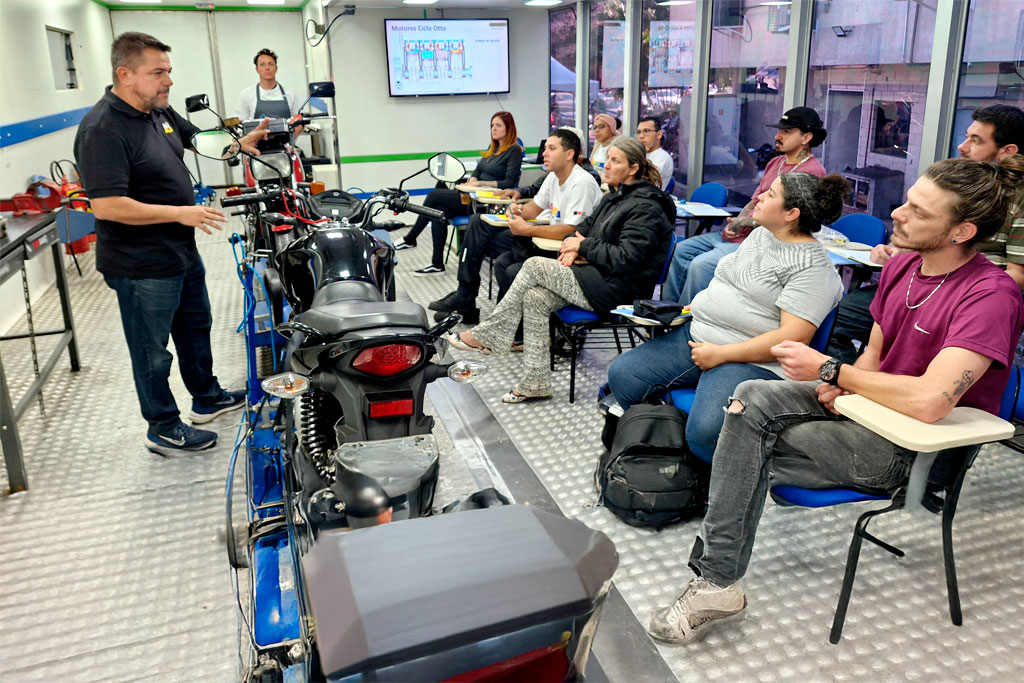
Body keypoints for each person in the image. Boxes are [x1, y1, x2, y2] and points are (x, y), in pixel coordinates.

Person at [647, 156, 1024, 644]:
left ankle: (716, 580)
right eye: (908, 200)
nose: (899, 214)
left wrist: (831, 371)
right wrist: (845, 385)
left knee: (747, 436)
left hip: (916, 451)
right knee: (747, 398)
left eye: (919, 212)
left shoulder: (990, 296)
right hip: (869, 412)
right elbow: (874, 354)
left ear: (961, 231)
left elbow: (932, 400)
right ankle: (718, 579)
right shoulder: (905, 266)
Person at [74, 32, 268, 456]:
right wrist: (181, 213)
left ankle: (206, 397)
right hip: (140, 263)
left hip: (179, 251)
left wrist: (237, 145)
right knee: (152, 351)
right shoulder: (102, 129)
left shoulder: (156, 112)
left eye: (169, 71)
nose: (168, 81)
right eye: (157, 72)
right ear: (125, 75)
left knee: (195, 329)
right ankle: (161, 426)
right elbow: (107, 206)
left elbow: (197, 140)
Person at [608, 174, 846, 461]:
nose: (759, 197)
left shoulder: (813, 269)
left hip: (749, 359)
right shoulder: (761, 235)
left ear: (791, 214)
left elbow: (792, 338)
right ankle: (665, 443)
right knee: (623, 376)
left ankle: (704, 474)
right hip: (699, 335)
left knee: (706, 432)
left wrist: (721, 354)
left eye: (770, 195)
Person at [445, 138, 675, 402]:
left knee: (533, 265)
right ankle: (535, 383)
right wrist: (575, 246)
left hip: (620, 290)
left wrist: (584, 247)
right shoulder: (615, 195)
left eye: (615, 161)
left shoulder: (647, 206)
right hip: (599, 276)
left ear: (633, 168)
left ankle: (491, 334)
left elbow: (627, 258)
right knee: (535, 299)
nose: (606, 165)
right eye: (607, 158)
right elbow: (582, 230)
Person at [827, 104, 1024, 365]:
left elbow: (1017, 277)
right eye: (966, 136)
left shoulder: (1018, 203)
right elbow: (933, 243)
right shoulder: (952, 188)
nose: (962, 147)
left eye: (976, 140)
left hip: (963, 297)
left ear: (1007, 151)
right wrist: (899, 251)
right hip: (922, 279)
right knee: (834, 317)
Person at [428, 128, 602, 324]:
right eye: (545, 148)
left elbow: (572, 231)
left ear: (569, 154)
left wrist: (527, 230)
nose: (544, 153)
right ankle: (466, 295)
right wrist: (517, 210)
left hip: (565, 253)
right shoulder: (553, 176)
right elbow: (533, 208)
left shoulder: (581, 183)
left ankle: (494, 317)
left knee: (505, 262)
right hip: (542, 242)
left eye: (551, 148)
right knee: (477, 224)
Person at [664, 107, 827, 305]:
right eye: (779, 130)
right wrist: (737, 223)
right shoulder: (776, 162)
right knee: (680, 251)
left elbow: (790, 221)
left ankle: (688, 322)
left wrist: (744, 223)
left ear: (806, 137)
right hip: (744, 233)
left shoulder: (812, 172)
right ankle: (667, 313)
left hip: (765, 243)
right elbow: (755, 200)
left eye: (786, 131)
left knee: (701, 265)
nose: (778, 136)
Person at [394, 112, 523, 274]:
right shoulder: (492, 147)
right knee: (438, 213)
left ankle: (410, 238)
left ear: (508, 128)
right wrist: (472, 181)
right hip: (472, 197)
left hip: (488, 204)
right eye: (492, 125)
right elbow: (477, 171)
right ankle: (437, 264)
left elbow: (509, 183)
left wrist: (480, 184)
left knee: (435, 195)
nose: (493, 129)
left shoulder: (514, 151)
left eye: (498, 125)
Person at [236, 48, 303, 136]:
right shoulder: (246, 94)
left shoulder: (291, 94)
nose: (267, 68)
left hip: (286, 147)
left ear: (276, 68)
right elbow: (240, 124)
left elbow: (300, 121)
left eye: (270, 64)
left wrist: (291, 142)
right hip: (256, 147)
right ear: (257, 69)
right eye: (262, 65)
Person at [637, 115, 674, 191]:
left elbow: (644, 182)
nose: (641, 136)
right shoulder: (640, 154)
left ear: (659, 134)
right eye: (638, 132)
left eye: (646, 131)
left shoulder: (663, 157)